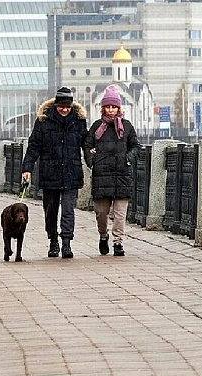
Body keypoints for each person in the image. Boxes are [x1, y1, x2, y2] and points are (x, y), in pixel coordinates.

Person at [22, 87, 88, 259]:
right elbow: (34, 146)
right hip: (49, 172)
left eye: (68, 106)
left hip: (71, 172)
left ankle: (66, 243)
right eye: (61, 106)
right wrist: (27, 168)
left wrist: (94, 163)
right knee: (51, 210)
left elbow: (86, 144)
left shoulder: (79, 120)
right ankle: (53, 241)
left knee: (68, 210)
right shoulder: (44, 121)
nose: (65, 109)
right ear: (56, 105)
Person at [83, 85, 140, 257]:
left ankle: (118, 242)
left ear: (118, 108)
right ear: (103, 108)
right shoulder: (96, 127)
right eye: (108, 106)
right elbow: (87, 145)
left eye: (114, 107)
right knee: (101, 212)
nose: (111, 110)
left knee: (120, 214)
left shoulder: (127, 127)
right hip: (102, 176)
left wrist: (128, 158)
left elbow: (135, 146)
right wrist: (92, 161)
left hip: (122, 175)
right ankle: (103, 235)